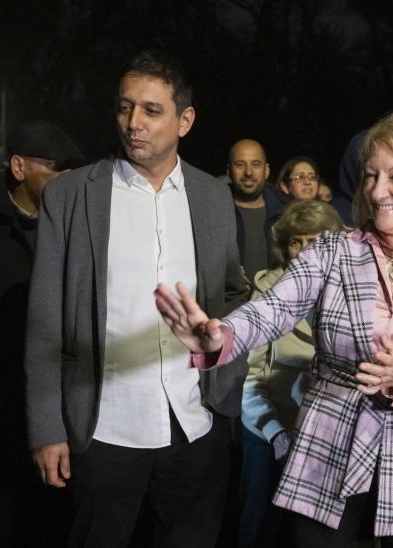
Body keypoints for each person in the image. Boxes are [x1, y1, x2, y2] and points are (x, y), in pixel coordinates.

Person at [156, 112, 393, 547]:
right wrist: (221, 336)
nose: (378, 191)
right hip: (328, 445)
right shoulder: (334, 250)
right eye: (371, 175)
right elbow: (273, 309)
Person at [24, 50, 247, 547]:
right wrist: (46, 427)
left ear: (185, 120)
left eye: (151, 110)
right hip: (103, 426)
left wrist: (225, 378)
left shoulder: (213, 196)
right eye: (125, 108)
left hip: (196, 421)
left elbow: (234, 296)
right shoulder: (71, 196)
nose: (133, 123)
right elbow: (43, 319)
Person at [239, 199, 343, 548]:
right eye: (296, 242)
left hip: (330, 430)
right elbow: (252, 378)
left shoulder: (351, 293)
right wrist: (275, 432)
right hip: (273, 426)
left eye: (314, 241)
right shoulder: (268, 291)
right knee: (259, 527)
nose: (303, 251)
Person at [0, 121, 84, 546]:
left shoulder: (78, 230)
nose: (67, 177)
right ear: (18, 166)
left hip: (60, 409)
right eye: (55, 167)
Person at [228, 138, 284, 282]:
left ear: (267, 170)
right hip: (230, 302)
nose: (248, 172)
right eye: (240, 165)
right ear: (229, 171)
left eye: (256, 165)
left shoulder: (286, 213)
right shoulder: (213, 212)